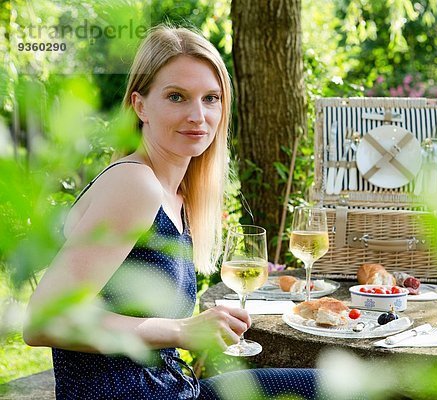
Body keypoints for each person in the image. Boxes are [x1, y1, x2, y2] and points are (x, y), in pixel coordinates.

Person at [23, 25, 323, 400]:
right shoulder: (135, 185)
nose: (198, 115)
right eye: (177, 96)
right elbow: (44, 321)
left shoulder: (178, 196)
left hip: (176, 390)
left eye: (211, 98)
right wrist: (181, 330)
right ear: (140, 105)